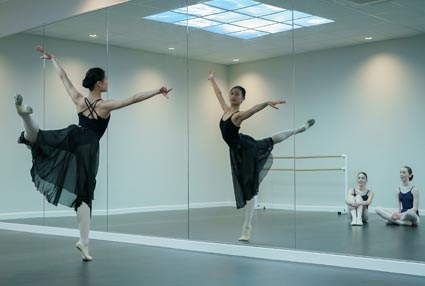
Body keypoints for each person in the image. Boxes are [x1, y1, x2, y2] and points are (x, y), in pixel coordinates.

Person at [14, 46, 172, 261]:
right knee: (85, 194)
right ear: (99, 83)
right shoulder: (104, 106)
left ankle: (25, 118)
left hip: (73, 134)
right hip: (87, 146)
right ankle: (84, 242)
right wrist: (157, 90)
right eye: (106, 80)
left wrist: (54, 58)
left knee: (39, 137)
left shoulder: (80, 100)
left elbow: (63, 78)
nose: (107, 83)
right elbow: (134, 98)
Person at [208, 71, 315, 241]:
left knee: (249, 189)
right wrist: (212, 80)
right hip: (240, 147)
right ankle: (299, 129)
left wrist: (266, 103)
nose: (233, 96)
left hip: (245, 151)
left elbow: (252, 110)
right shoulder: (226, 110)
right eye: (232, 93)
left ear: (243, 99)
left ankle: (247, 228)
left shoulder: (237, 116)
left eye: (237, 94)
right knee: (270, 140)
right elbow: (218, 94)